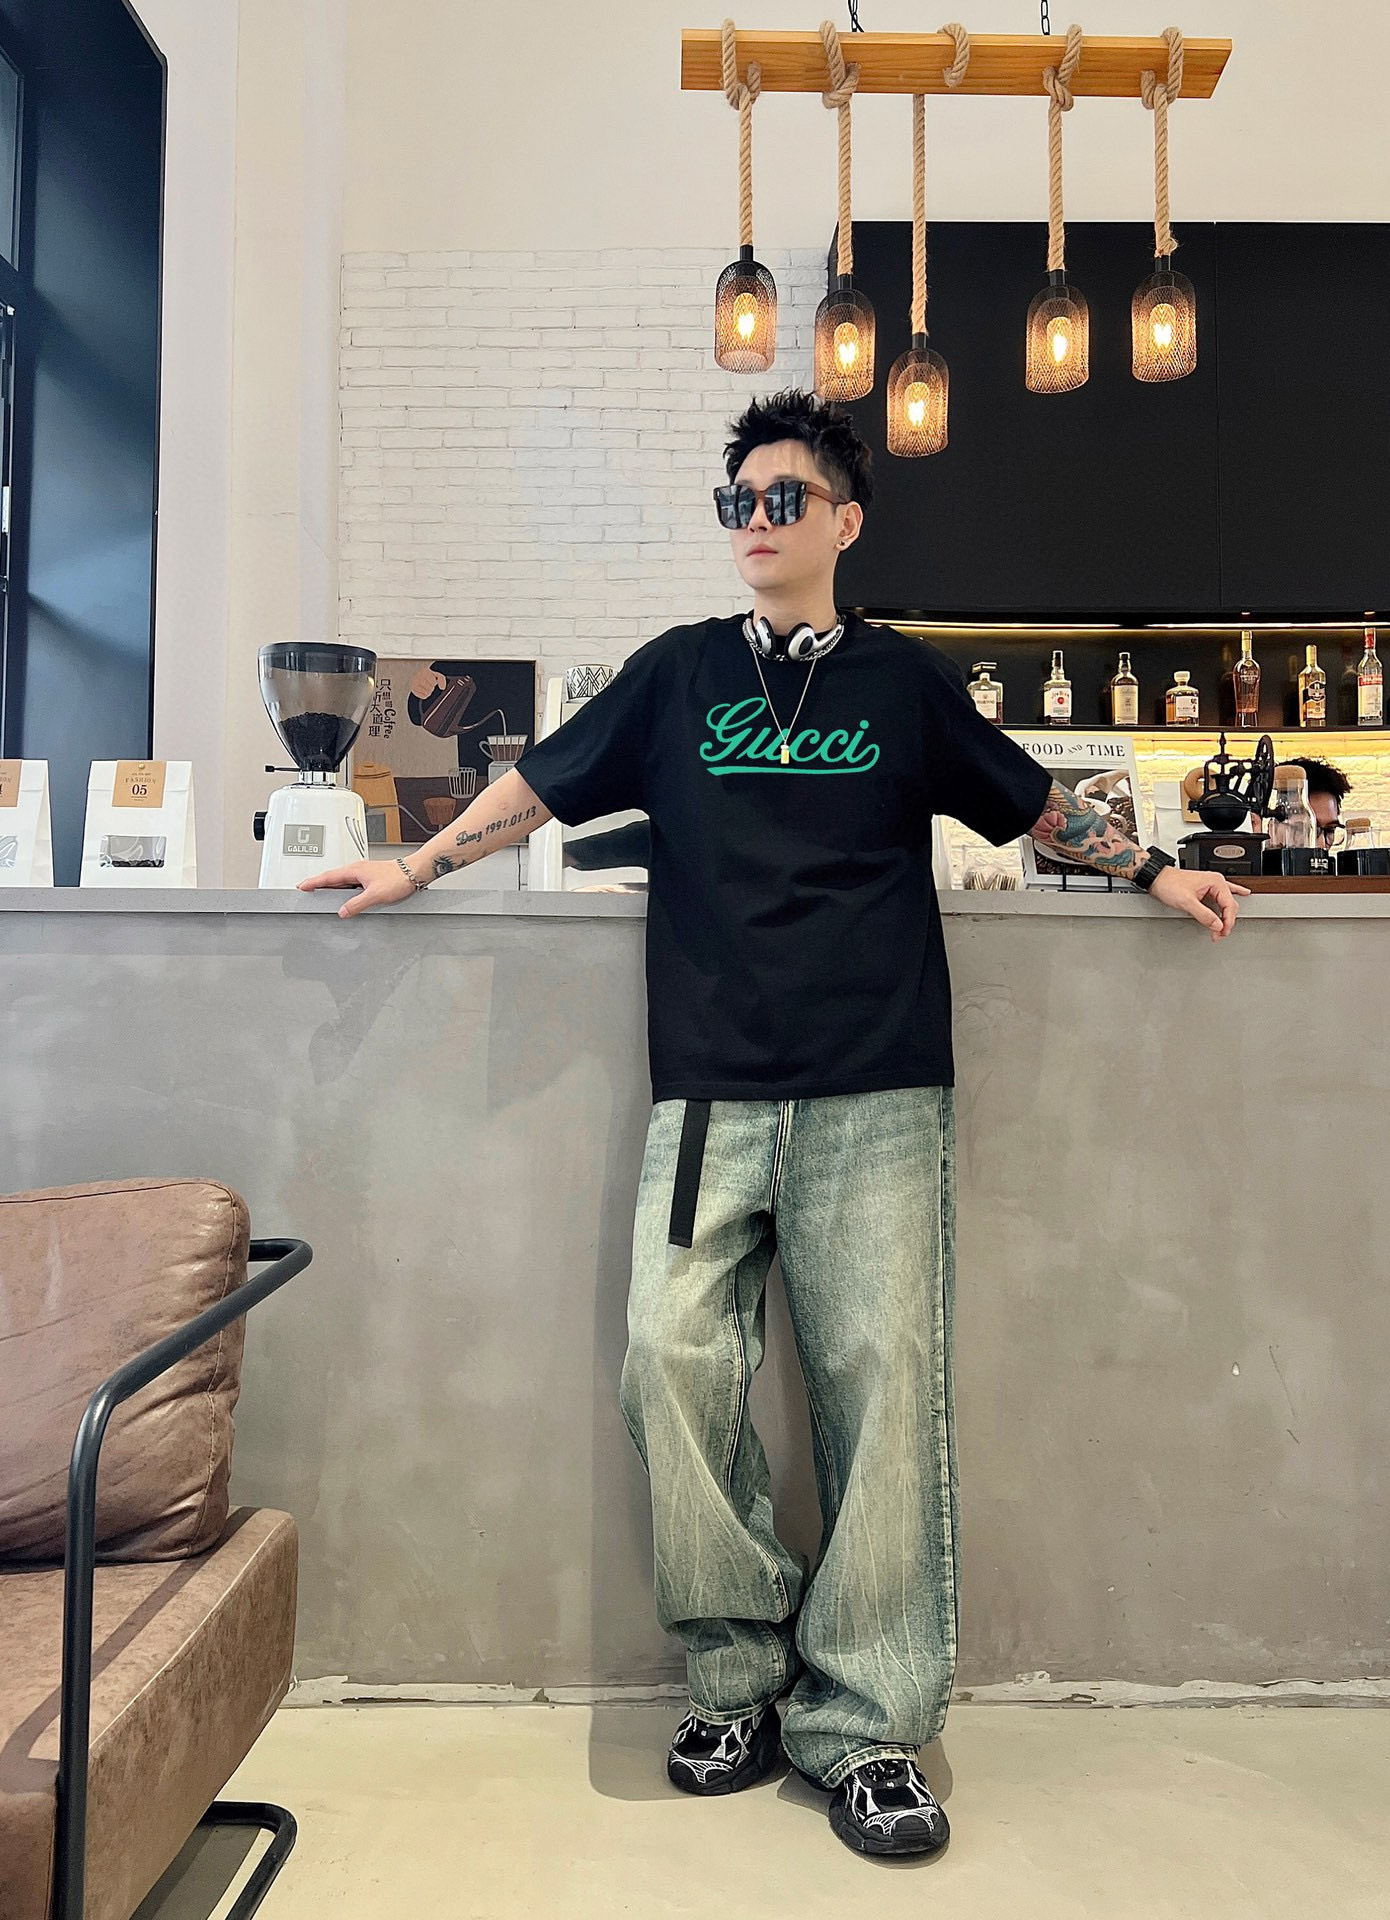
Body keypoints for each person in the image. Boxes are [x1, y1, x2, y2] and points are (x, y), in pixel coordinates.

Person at [301, 389, 1248, 1861]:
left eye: (784, 498)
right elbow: (538, 787)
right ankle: (738, 1675)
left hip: (879, 1089)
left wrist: (1150, 871)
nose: (755, 520)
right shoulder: (676, 673)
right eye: (737, 500)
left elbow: (1028, 802)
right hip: (708, 1092)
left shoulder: (904, 682)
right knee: (669, 1363)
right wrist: (412, 865)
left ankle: (866, 1727)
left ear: (844, 521)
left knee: (885, 1394)